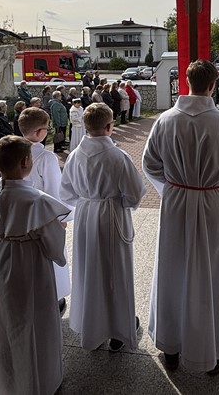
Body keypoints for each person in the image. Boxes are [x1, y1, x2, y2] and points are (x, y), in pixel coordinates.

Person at [142, 59, 219, 374]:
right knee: (209, 271)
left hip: (176, 200)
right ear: (213, 84)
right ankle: (209, 347)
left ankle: (171, 346)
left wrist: (173, 186)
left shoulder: (165, 120)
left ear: (186, 82)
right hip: (210, 200)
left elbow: (150, 164)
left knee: (172, 267)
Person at [0, 136, 69, 395]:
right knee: (37, 319)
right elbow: (54, 245)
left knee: (8, 319)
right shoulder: (38, 200)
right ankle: (43, 380)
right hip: (33, 262)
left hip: (4, 258)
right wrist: (56, 247)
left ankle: (11, 382)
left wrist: (7, 242)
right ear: (25, 162)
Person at [61, 103, 147, 351]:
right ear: (110, 126)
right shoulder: (117, 156)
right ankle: (117, 328)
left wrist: (86, 200)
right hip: (111, 214)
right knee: (113, 271)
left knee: (89, 268)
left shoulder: (75, 155)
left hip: (86, 214)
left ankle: (91, 325)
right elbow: (135, 193)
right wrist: (122, 204)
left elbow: (66, 193)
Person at [18, 107, 73, 313]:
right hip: (44, 216)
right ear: (39, 132)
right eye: (47, 129)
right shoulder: (46, 157)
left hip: (21, 216)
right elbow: (54, 191)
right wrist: (61, 216)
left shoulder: (13, 151)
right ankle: (53, 297)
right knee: (50, 256)